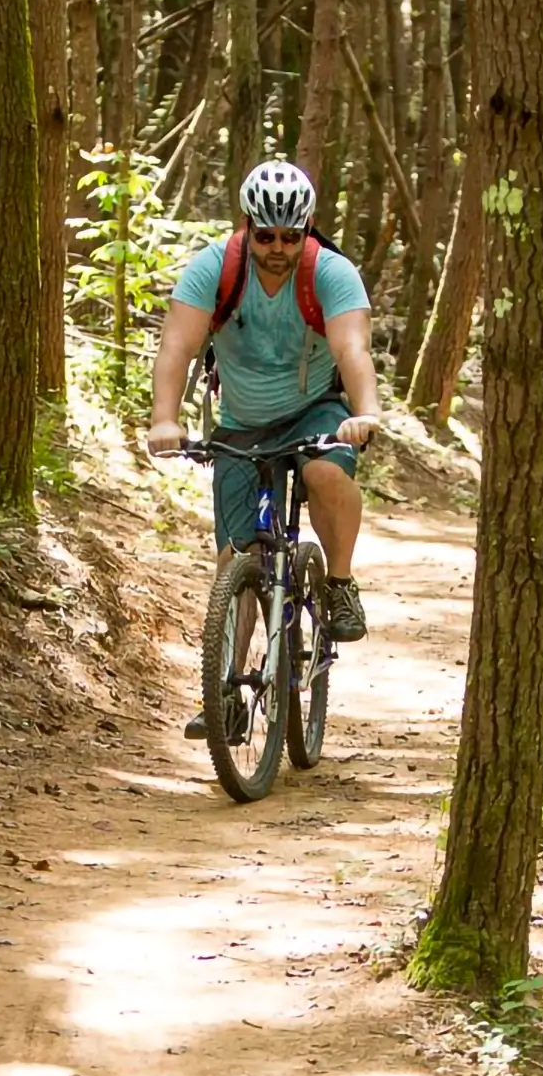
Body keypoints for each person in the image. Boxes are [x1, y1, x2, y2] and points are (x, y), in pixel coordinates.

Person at [148, 159, 382, 739]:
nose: (277, 248)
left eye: (290, 236)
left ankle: (341, 585)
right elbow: (177, 348)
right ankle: (225, 690)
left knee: (328, 475)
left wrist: (365, 413)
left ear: (307, 231)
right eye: (265, 235)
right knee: (236, 561)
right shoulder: (214, 269)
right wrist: (164, 420)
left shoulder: (331, 274)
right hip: (242, 424)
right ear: (247, 225)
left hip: (316, 413)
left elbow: (352, 349)